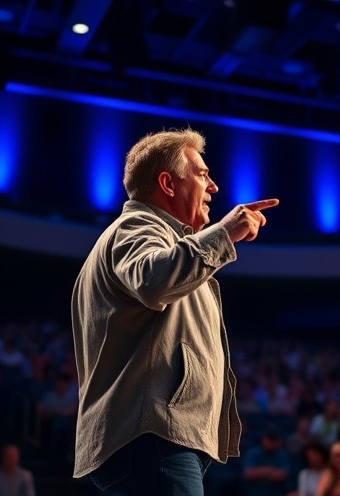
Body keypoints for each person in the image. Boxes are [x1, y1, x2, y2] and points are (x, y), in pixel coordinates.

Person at [71, 128, 279, 495]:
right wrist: (223, 233)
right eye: (202, 174)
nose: (213, 187)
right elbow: (153, 280)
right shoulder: (136, 226)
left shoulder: (166, 240)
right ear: (167, 183)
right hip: (152, 436)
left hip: (156, 438)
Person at [243, 425, 292, 496]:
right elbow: (249, 474)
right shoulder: (252, 453)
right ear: (264, 439)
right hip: (256, 492)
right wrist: (269, 470)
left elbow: (283, 475)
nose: (272, 443)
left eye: (275, 440)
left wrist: (259, 473)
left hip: (276, 492)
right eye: (270, 439)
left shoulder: (282, 455)